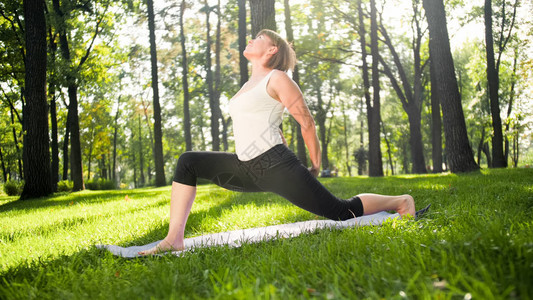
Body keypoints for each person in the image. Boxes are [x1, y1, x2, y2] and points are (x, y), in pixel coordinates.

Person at [139, 29, 415, 255]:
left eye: (258, 38)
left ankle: (402, 201)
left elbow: (306, 122)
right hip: (244, 166)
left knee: (340, 212)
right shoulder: (248, 85)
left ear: (272, 50)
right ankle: (174, 239)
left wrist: (316, 165)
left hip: (274, 165)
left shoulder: (278, 78)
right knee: (188, 162)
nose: (251, 39)